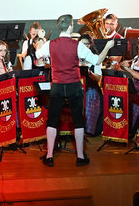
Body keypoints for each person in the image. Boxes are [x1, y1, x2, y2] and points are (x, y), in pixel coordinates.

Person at [34, 14, 114, 166]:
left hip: (57, 86)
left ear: (59, 26)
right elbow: (97, 60)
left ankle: (49, 156)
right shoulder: (77, 45)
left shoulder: (50, 44)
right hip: (74, 86)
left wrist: (42, 39)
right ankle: (80, 157)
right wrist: (108, 47)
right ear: (71, 26)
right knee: (78, 121)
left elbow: (37, 55)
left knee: (52, 120)